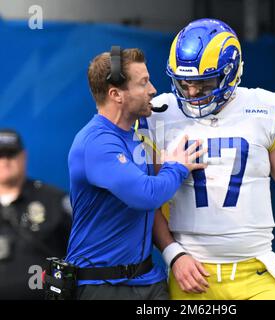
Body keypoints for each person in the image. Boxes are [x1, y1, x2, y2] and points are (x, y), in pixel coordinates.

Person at [146, 18, 275, 300]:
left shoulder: (264, 108)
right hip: (192, 273)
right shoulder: (159, 113)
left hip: (258, 270)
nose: (192, 93)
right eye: (184, 83)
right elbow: (146, 199)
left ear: (231, 71)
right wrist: (172, 254)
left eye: (203, 84)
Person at [65, 47, 206, 300]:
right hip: (103, 285)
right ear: (116, 94)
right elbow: (146, 195)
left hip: (147, 278)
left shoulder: (134, 136)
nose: (152, 89)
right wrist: (177, 166)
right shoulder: (96, 142)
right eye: (143, 83)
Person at [0, 129, 71, 299]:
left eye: (11, 154)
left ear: (23, 156)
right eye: (0, 155)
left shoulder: (53, 200)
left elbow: (81, 253)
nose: (4, 161)